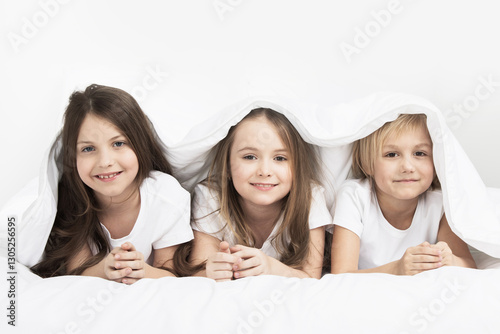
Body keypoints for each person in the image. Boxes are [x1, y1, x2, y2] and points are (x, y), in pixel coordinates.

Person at [31, 84, 194, 283]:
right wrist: (105, 269)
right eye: (88, 149)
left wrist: (141, 270)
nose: (105, 161)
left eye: (118, 143)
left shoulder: (166, 196)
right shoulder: (71, 196)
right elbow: (77, 273)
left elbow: (171, 275)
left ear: (139, 144)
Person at [189, 108, 332, 281]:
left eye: (280, 158)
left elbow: (311, 277)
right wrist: (211, 271)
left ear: (297, 167)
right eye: (250, 157)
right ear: (227, 166)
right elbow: (197, 273)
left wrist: (271, 267)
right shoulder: (210, 197)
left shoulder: (311, 197)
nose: (265, 171)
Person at [331, 113, 476, 275]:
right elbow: (341, 275)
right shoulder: (354, 197)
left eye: (420, 153)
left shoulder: (441, 203)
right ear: (368, 164)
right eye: (391, 154)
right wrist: (397, 269)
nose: (408, 167)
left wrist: (451, 261)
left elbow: (469, 265)